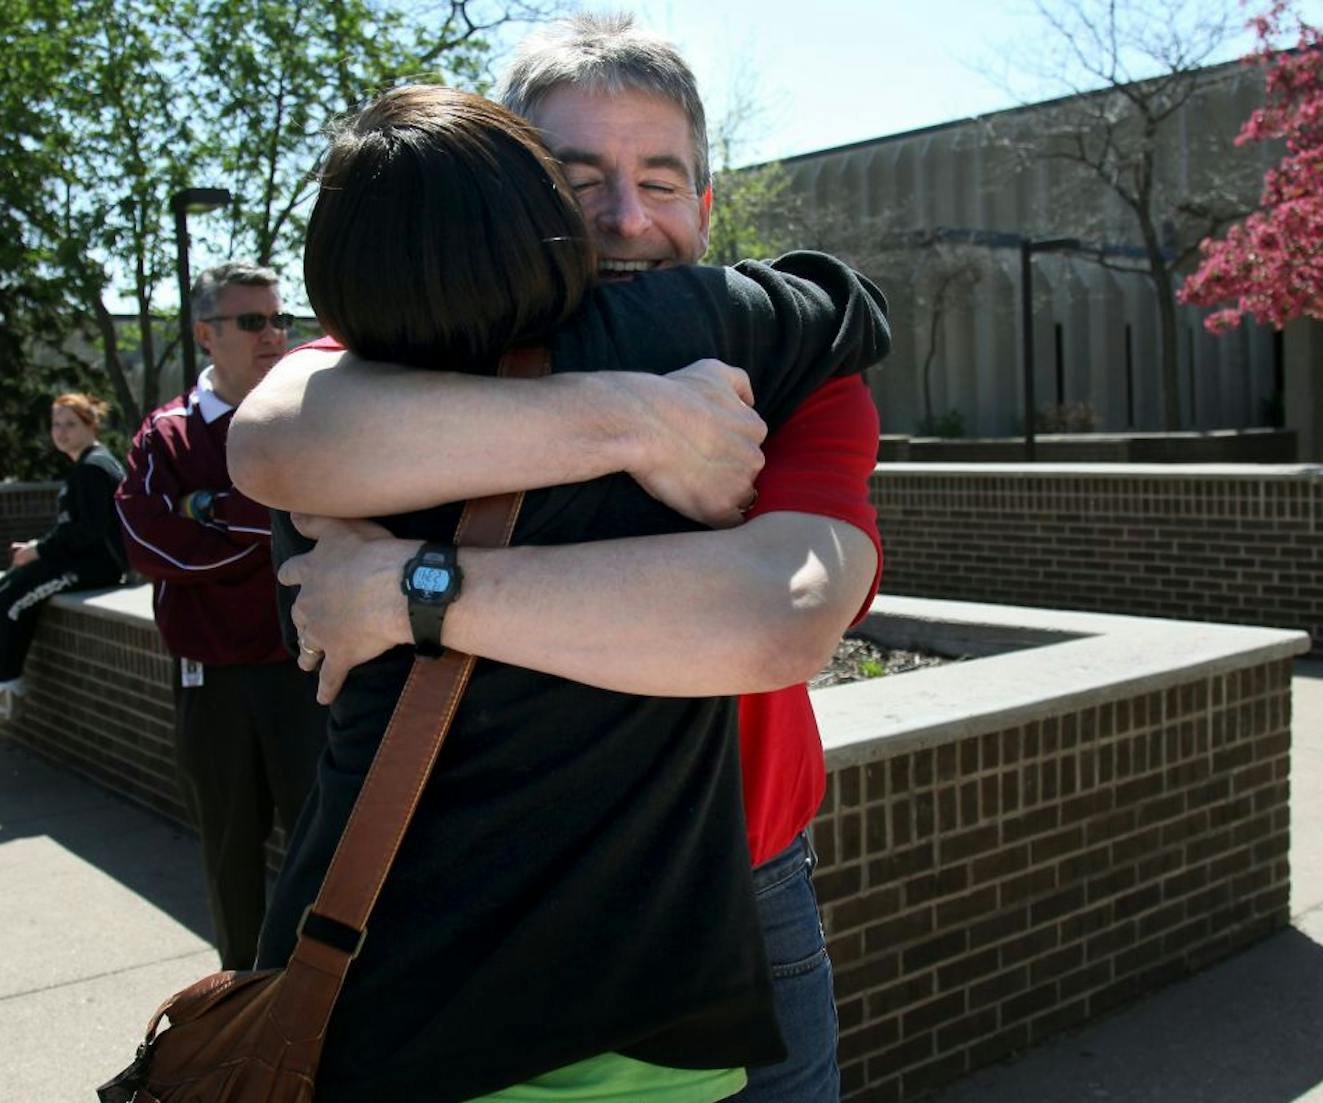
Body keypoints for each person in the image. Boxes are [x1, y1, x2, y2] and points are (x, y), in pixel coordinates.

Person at [229, 14, 883, 1101]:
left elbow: (782, 615)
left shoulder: (783, 368)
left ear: (705, 203)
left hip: (749, 885)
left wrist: (411, 591)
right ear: (520, 199)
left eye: (661, 181)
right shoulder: (410, 348)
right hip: (467, 903)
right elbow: (270, 436)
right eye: (580, 180)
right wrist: (631, 418)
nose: (626, 220)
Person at [114, 262, 328, 972]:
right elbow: (148, 541)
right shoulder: (167, 437)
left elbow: (336, 521)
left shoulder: (311, 416)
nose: (272, 334)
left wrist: (208, 510)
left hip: (305, 671)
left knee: (321, 841)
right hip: (214, 680)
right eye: (251, 321)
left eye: (278, 319)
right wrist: (273, 519)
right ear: (207, 334)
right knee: (231, 847)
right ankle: (239, 999)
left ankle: (317, 998)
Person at [0, 393, 128, 729]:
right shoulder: (86, 466)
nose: (61, 432)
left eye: (70, 424)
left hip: (97, 567)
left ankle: (7, 695)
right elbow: (73, 526)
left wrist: (39, 550)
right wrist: (36, 546)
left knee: (11, 601)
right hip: (77, 561)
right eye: (56, 424)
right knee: (1, 590)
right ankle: (0, 688)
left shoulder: (94, 468)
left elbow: (89, 530)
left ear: (91, 425)